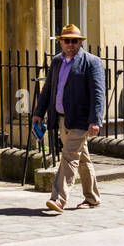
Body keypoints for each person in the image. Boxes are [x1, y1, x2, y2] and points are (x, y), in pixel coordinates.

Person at [32, 24, 105, 214]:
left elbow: (98, 94)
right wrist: (39, 112)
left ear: (80, 42)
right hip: (62, 118)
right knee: (82, 159)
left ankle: (58, 198)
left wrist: (95, 120)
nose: (70, 44)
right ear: (61, 42)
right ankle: (92, 198)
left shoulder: (91, 62)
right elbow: (48, 89)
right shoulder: (57, 62)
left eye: (75, 41)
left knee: (69, 157)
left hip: (81, 120)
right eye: (67, 41)